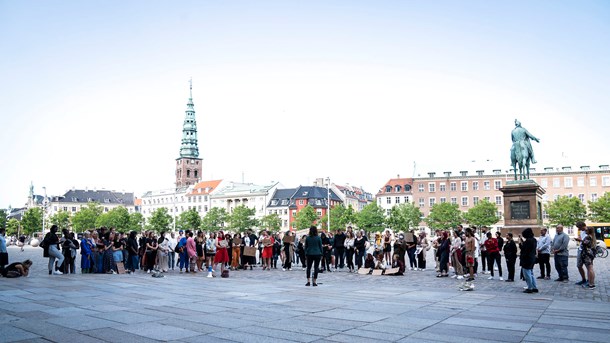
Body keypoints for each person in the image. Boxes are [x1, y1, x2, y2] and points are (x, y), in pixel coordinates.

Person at [520, 228, 538, 293]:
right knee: (531, 273)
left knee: (527, 274)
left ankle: (530, 287)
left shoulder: (528, 241)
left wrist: (520, 244)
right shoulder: (534, 240)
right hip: (532, 258)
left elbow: (524, 249)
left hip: (526, 259)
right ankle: (534, 287)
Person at [574, 221, 589, 286]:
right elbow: (581, 238)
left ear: (583, 226)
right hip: (580, 250)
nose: (579, 229)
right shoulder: (582, 231)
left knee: (588, 267)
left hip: (586, 251)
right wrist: (578, 239)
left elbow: (588, 242)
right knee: (579, 266)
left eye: (579, 227)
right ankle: (583, 279)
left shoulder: (588, 231)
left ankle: (589, 280)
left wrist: (580, 240)